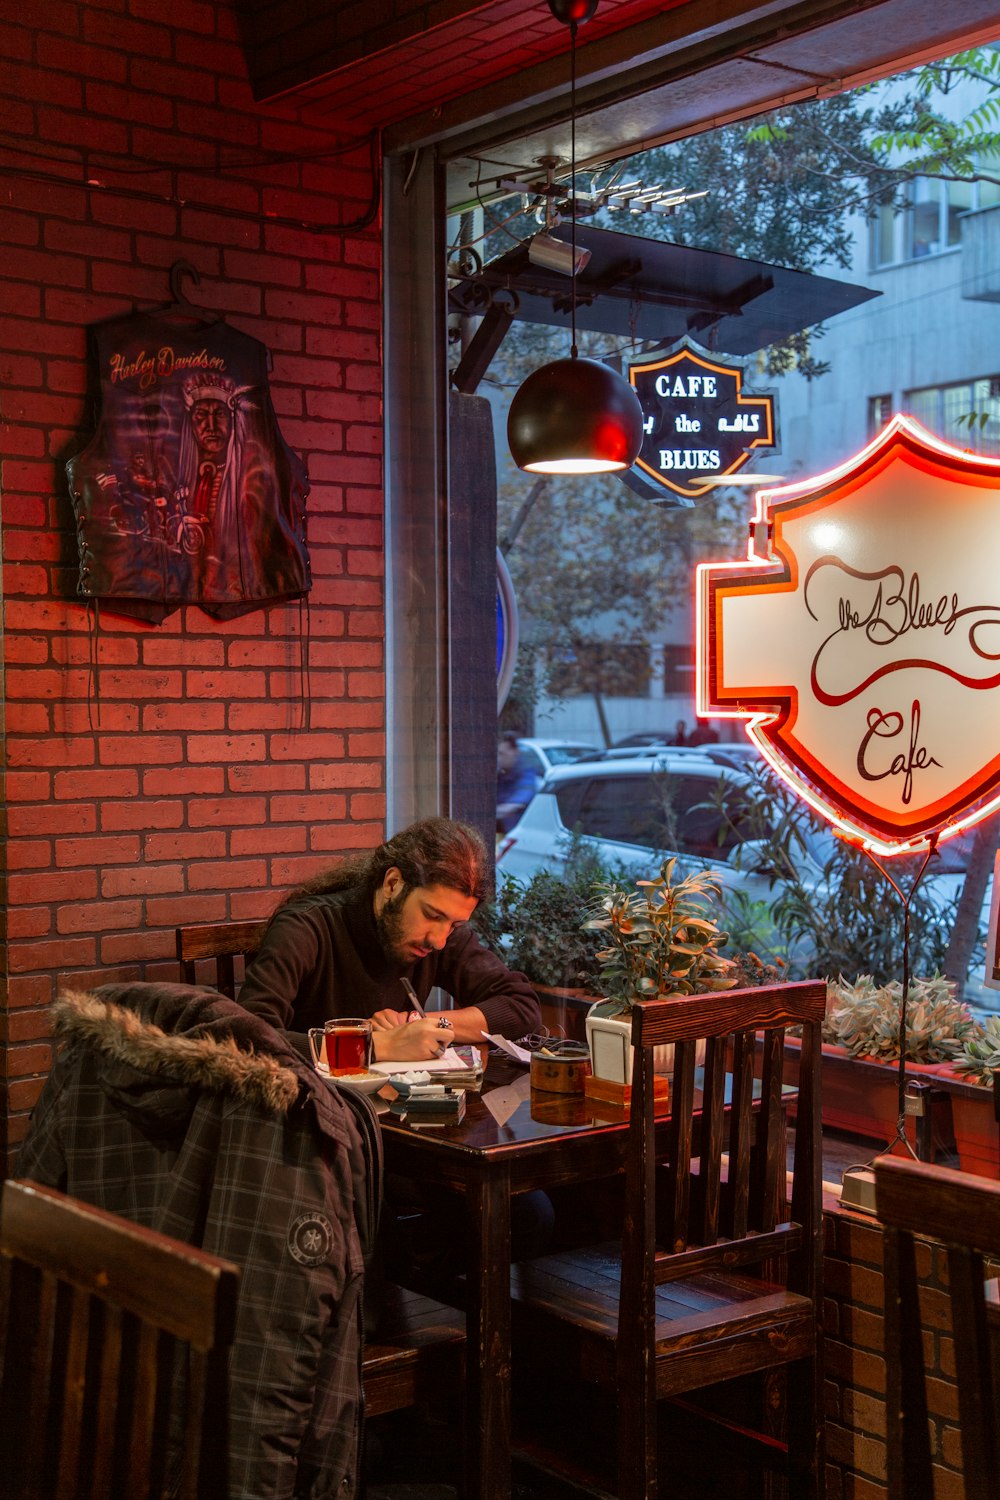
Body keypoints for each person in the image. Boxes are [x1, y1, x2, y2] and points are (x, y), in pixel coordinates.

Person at [238, 816, 541, 1062]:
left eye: (454, 924)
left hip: (395, 1118)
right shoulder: (307, 927)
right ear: (393, 884)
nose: (439, 940)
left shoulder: (443, 935)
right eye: (432, 915)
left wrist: (418, 1025)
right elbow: (249, 1038)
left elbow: (522, 1007)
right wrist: (375, 1045)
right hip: (308, 1113)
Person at [496, 731, 541, 833]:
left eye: (502, 754)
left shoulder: (526, 773)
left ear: (515, 752)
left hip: (520, 836)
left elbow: (516, 804)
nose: (498, 759)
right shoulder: (501, 774)